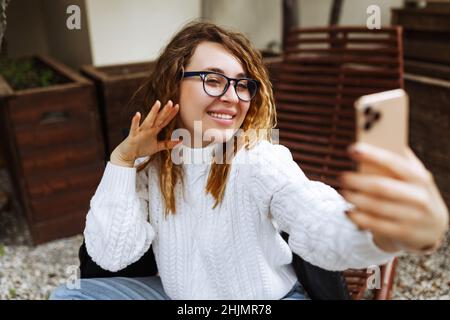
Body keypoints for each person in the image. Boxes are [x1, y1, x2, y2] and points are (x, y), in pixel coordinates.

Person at [50, 21, 448, 300]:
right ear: (174, 82)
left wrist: (386, 233)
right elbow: (112, 254)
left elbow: (317, 217)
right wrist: (123, 161)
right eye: (213, 79)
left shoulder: (259, 160)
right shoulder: (153, 165)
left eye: (243, 85)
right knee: (70, 295)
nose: (233, 96)